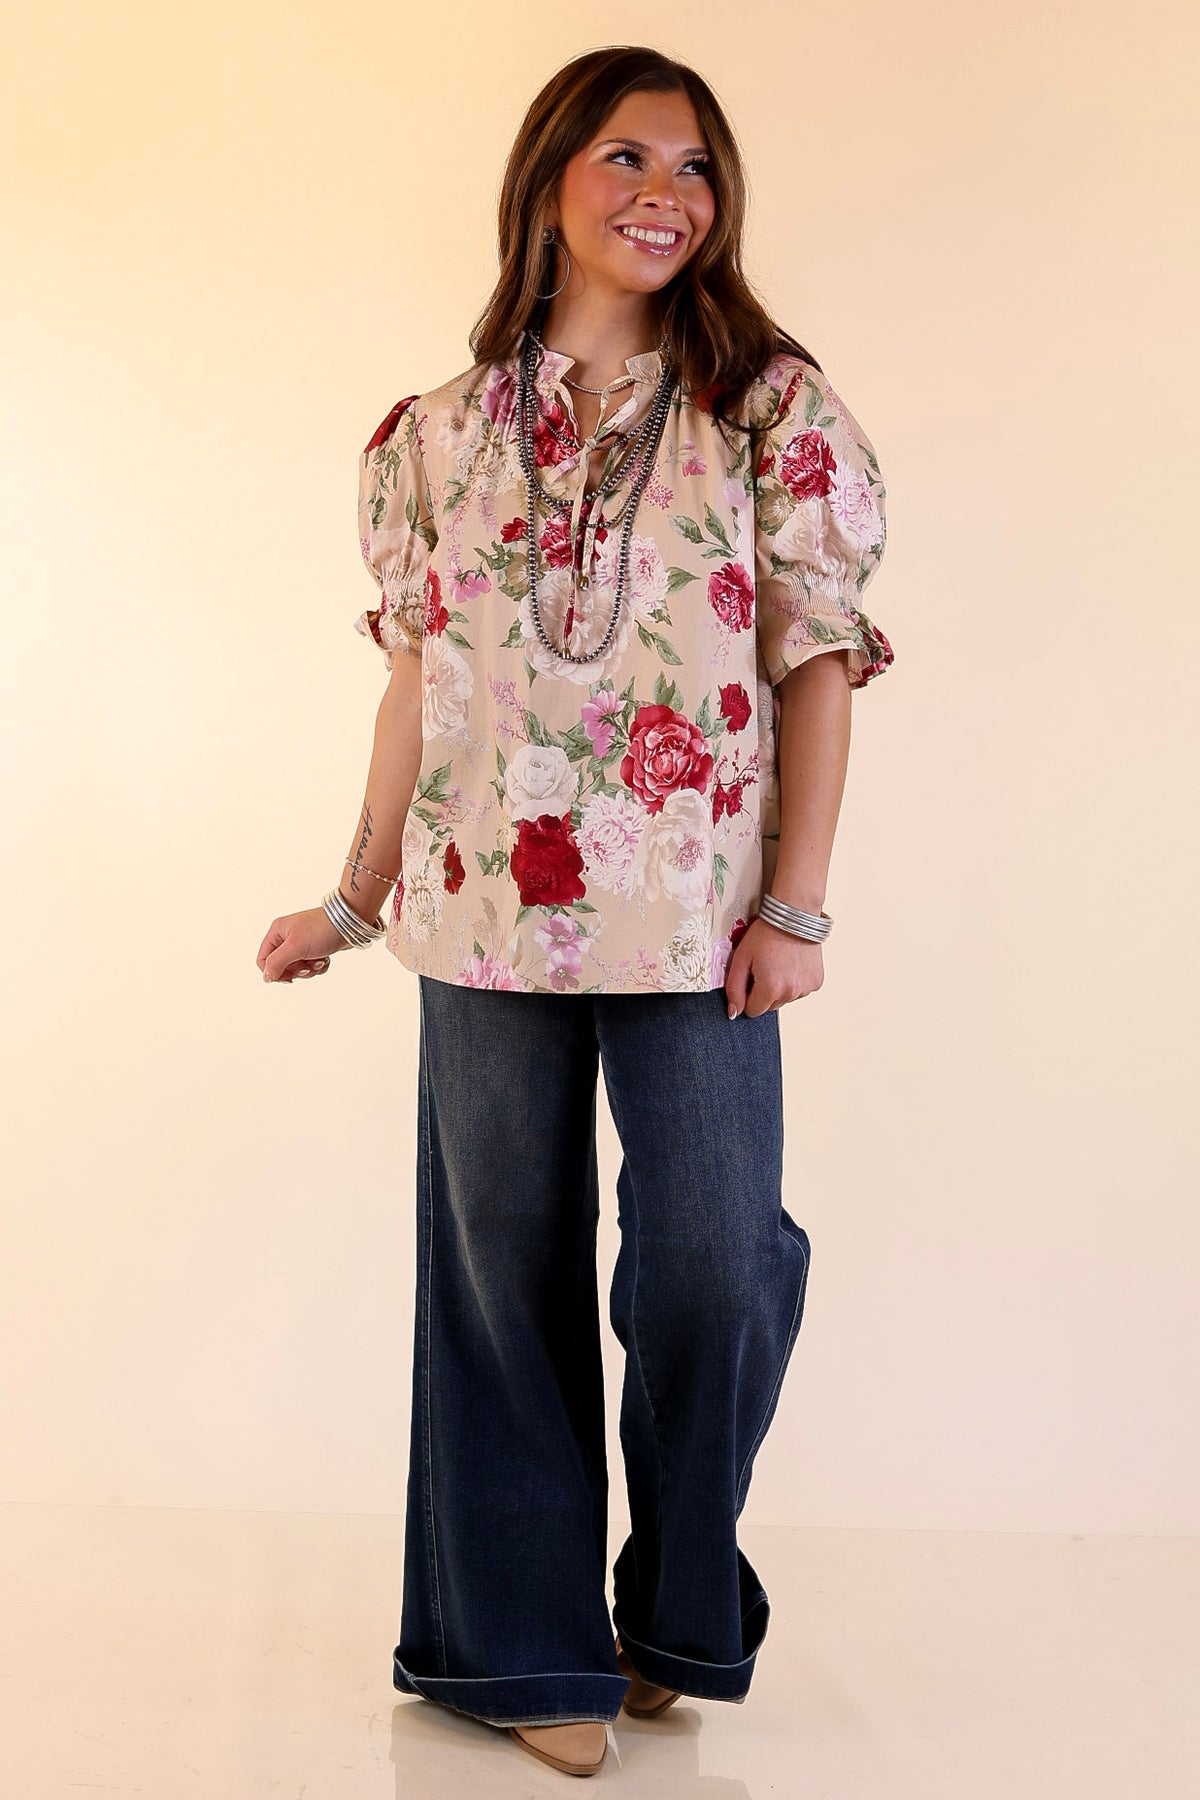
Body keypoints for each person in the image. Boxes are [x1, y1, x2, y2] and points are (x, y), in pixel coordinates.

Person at [257, 43, 893, 1782]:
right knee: (498, 1275)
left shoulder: (769, 412)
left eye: (696, 168)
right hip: (482, 914)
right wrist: (350, 899)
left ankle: (676, 1608)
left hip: (700, 929)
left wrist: (800, 910)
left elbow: (818, 661)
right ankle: (520, 1646)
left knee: (715, 1263)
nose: (666, 195)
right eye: (627, 157)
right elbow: (417, 689)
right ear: (548, 179)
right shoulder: (434, 439)